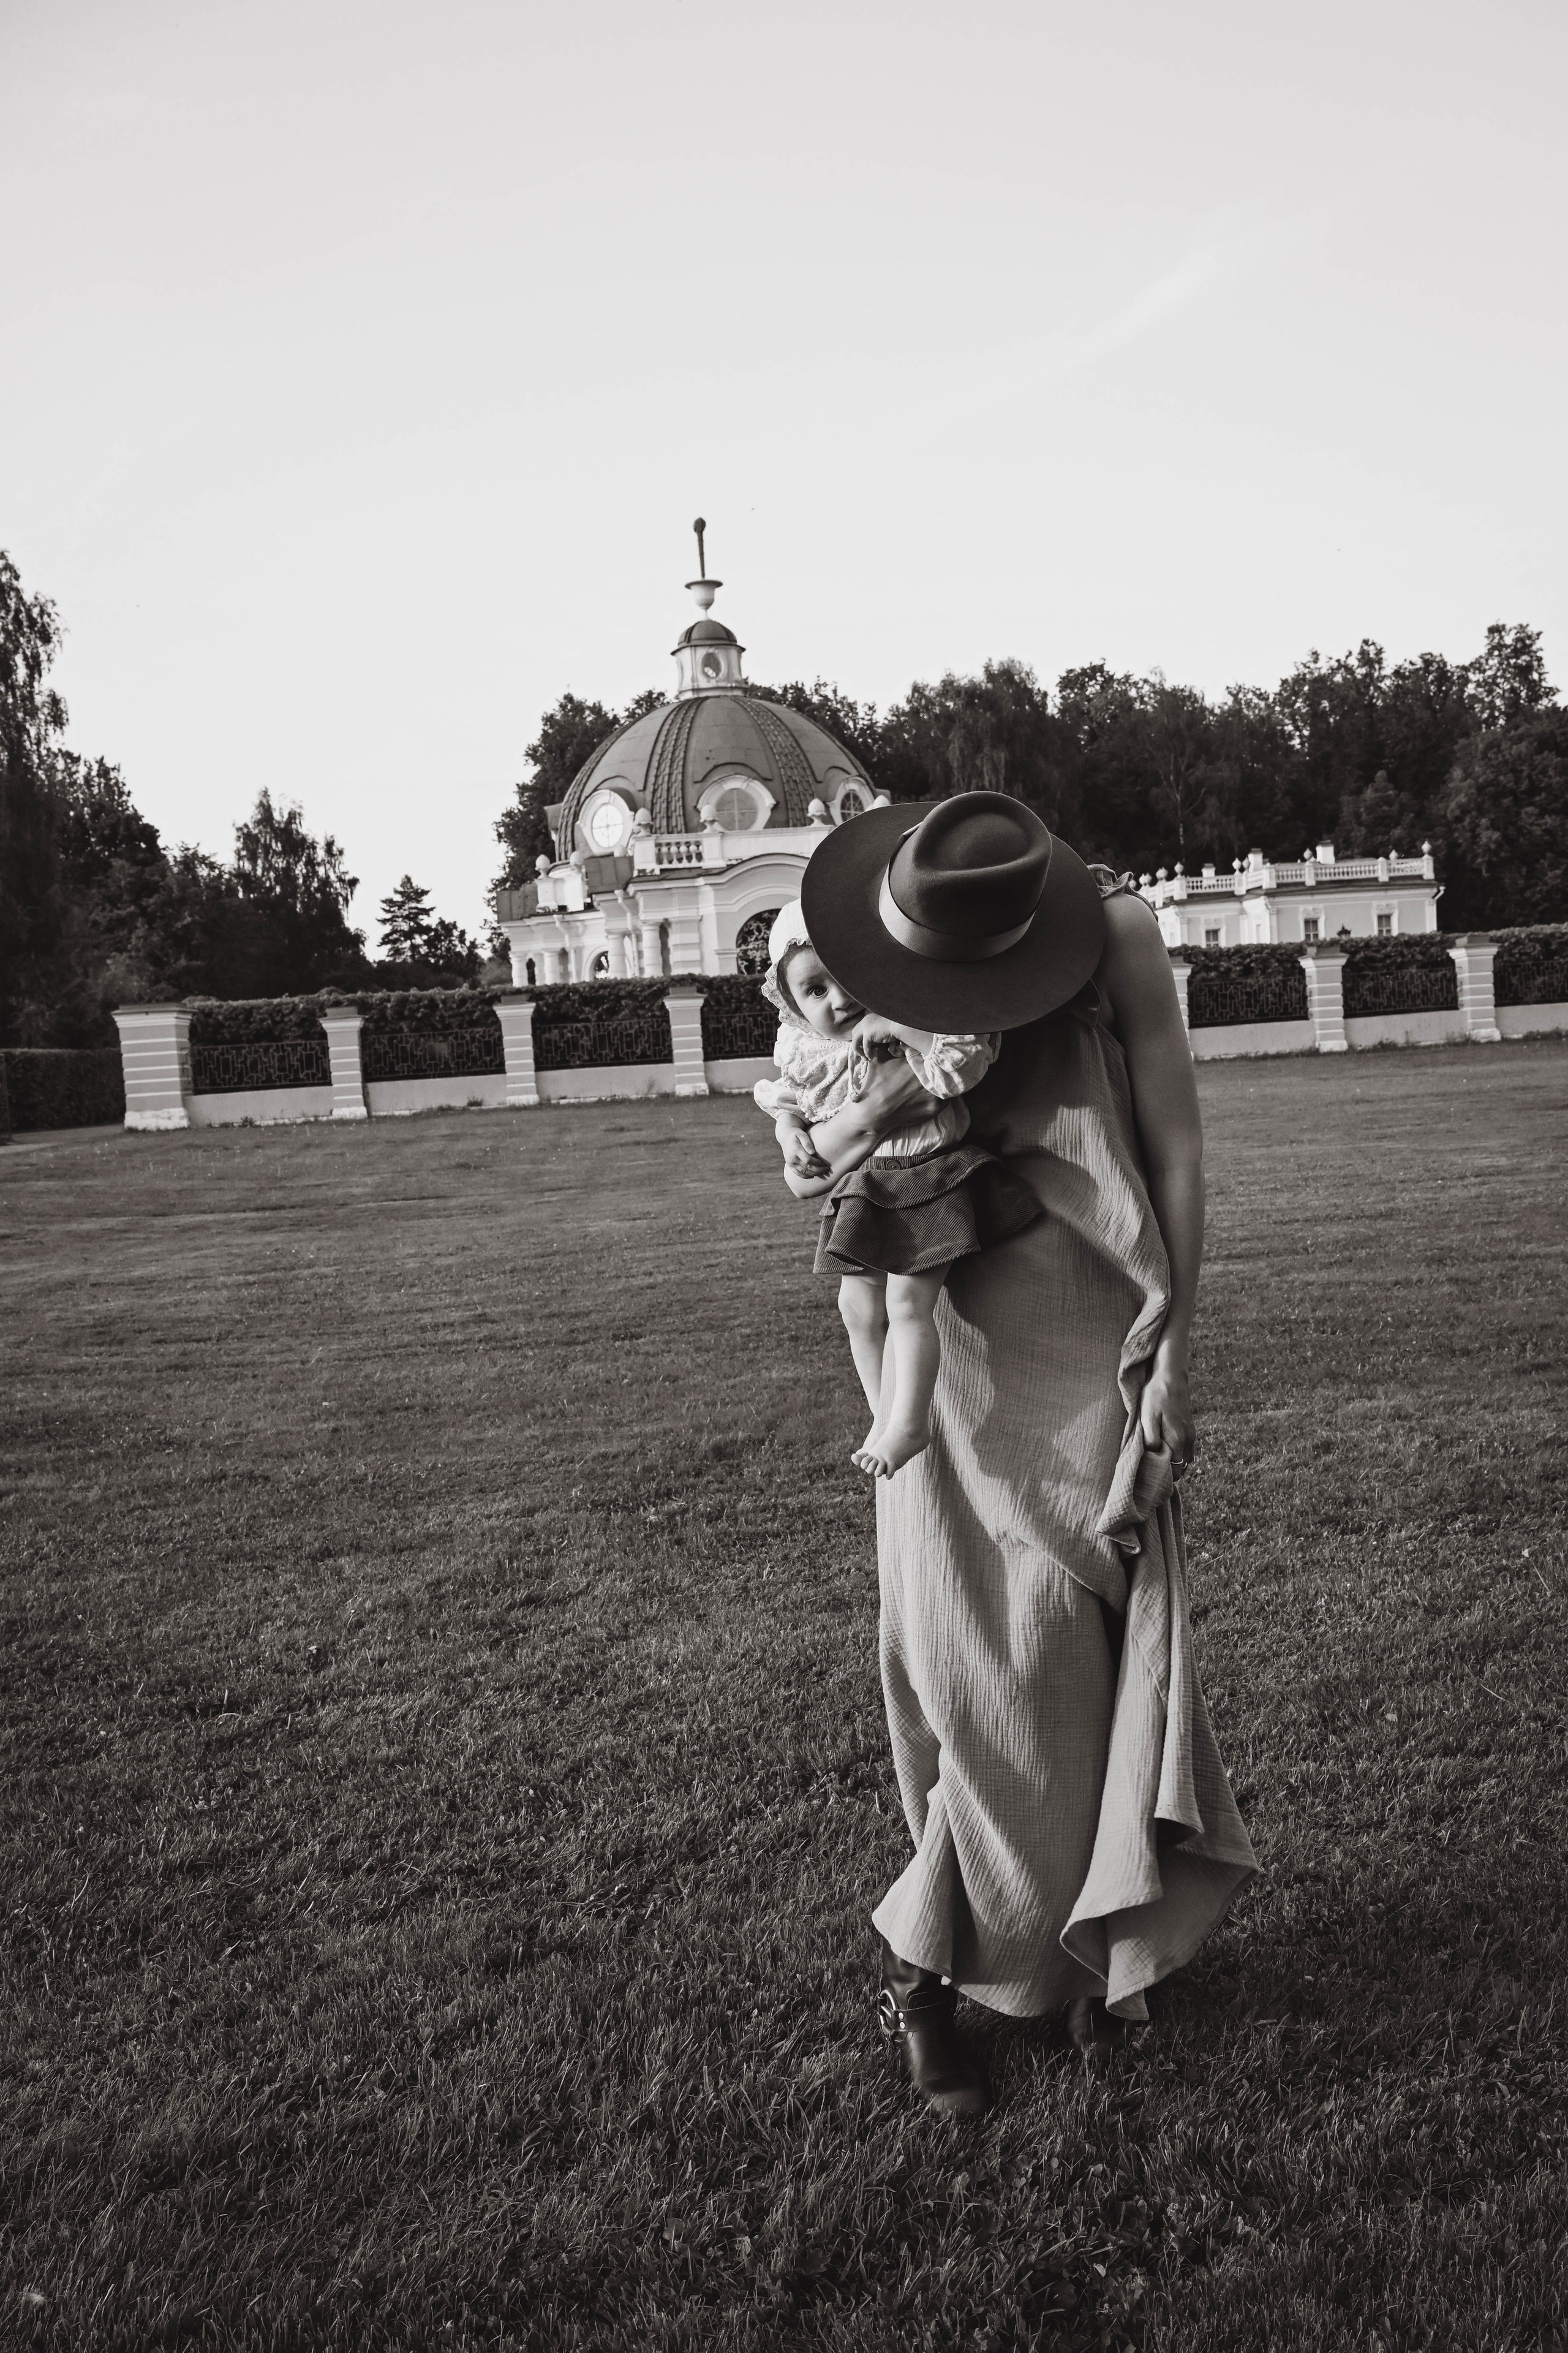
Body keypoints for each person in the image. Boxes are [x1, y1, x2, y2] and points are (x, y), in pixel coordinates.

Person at [796, 791, 1257, 2117]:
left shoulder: (1120, 933)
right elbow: (824, 1148)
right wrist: (848, 1118)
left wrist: (1173, 1347)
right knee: (959, 1653)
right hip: (946, 1332)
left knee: (1075, 1637)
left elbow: (1172, 1144)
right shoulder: (874, 939)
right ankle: (929, 1975)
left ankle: (1088, 1954)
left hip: (1093, 1317)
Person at [752, 903, 1042, 1476]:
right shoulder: (814, 1050)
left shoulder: (912, 1015)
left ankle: (910, 1422)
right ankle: (883, 1412)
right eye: (815, 991)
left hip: (929, 1174)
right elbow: (790, 1101)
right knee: (856, 1306)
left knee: (907, 1303)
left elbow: (962, 1064)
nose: (839, 1000)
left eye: (846, 977)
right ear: (794, 1006)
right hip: (867, 1185)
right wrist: (789, 1133)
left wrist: (901, 1028)